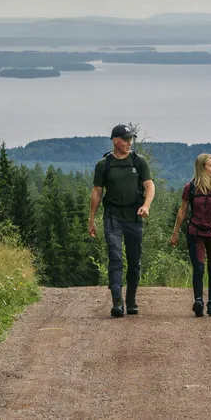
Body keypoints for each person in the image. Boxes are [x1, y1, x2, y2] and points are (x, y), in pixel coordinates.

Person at [88, 124, 155, 318]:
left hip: (134, 217)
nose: (128, 142)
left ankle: (131, 299)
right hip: (112, 217)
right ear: (114, 140)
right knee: (115, 258)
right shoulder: (104, 165)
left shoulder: (138, 161)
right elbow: (97, 192)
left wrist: (146, 205)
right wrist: (91, 220)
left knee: (134, 261)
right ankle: (117, 301)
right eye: (125, 139)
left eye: (130, 139)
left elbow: (150, 186)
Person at [170, 153, 211, 317]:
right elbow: (182, 211)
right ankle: (198, 301)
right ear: (201, 167)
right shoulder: (190, 188)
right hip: (195, 232)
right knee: (198, 268)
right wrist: (175, 233)